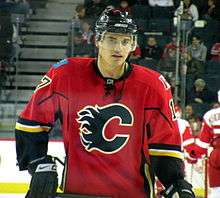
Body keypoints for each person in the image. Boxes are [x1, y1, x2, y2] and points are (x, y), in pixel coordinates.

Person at [15, 9, 195, 198]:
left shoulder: (153, 85)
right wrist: (37, 162)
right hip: (76, 193)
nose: (118, 48)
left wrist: (175, 181)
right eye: (111, 39)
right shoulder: (65, 75)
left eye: (125, 41)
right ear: (98, 40)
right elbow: (31, 122)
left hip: (132, 194)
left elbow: (164, 144)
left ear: (133, 44)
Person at [189, 90, 220, 198]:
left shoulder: (210, 115)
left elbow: (203, 143)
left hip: (217, 155)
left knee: (217, 192)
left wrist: (193, 155)